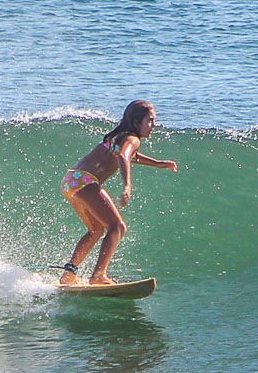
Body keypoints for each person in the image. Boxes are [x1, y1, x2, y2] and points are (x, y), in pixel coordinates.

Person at [58, 100, 177, 285]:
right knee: (117, 227)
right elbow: (123, 156)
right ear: (137, 122)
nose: (153, 125)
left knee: (96, 230)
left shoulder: (119, 136)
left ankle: (69, 274)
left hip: (71, 180)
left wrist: (158, 163)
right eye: (150, 120)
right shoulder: (133, 139)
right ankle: (99, 275)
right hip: (86, 181)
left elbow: (128, 155)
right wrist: (127, 185)